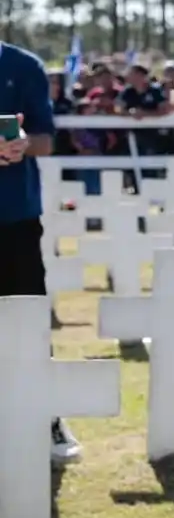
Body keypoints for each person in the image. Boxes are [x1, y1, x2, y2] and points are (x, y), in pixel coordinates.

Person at [0, 42, 81, 465]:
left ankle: (46, 416)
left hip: (14, 218)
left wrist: (20, 144)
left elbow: (47, 141)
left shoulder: (23, 65)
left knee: (29, 319)